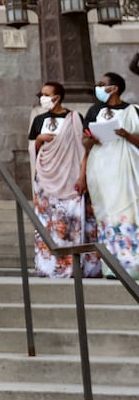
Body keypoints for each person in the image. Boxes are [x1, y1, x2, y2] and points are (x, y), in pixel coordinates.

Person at [28, 82, 99, 278]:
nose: (43, 98)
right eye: (41, 94)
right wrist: (40, 139)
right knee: (47, 225)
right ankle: (47, 267)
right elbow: (33, 150)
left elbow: (84, 149)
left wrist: (82, 176)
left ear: (58, 97)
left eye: (46, 94)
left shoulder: (74, 118)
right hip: (45, 180)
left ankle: (71, 267)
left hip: (70, 179)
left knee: (70, 224)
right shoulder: (39, 120)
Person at [81, 72, 139, 279]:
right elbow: (84, 140)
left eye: (101, 84)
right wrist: (90, 140)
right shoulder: (95, 110)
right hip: (102, 169)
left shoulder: (133, 111)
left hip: (127, 170)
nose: (98, 88)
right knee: (107, 215)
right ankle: (112, 267)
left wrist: (127, 135)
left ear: (113, 88)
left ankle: (133, 266)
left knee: (130, 212)